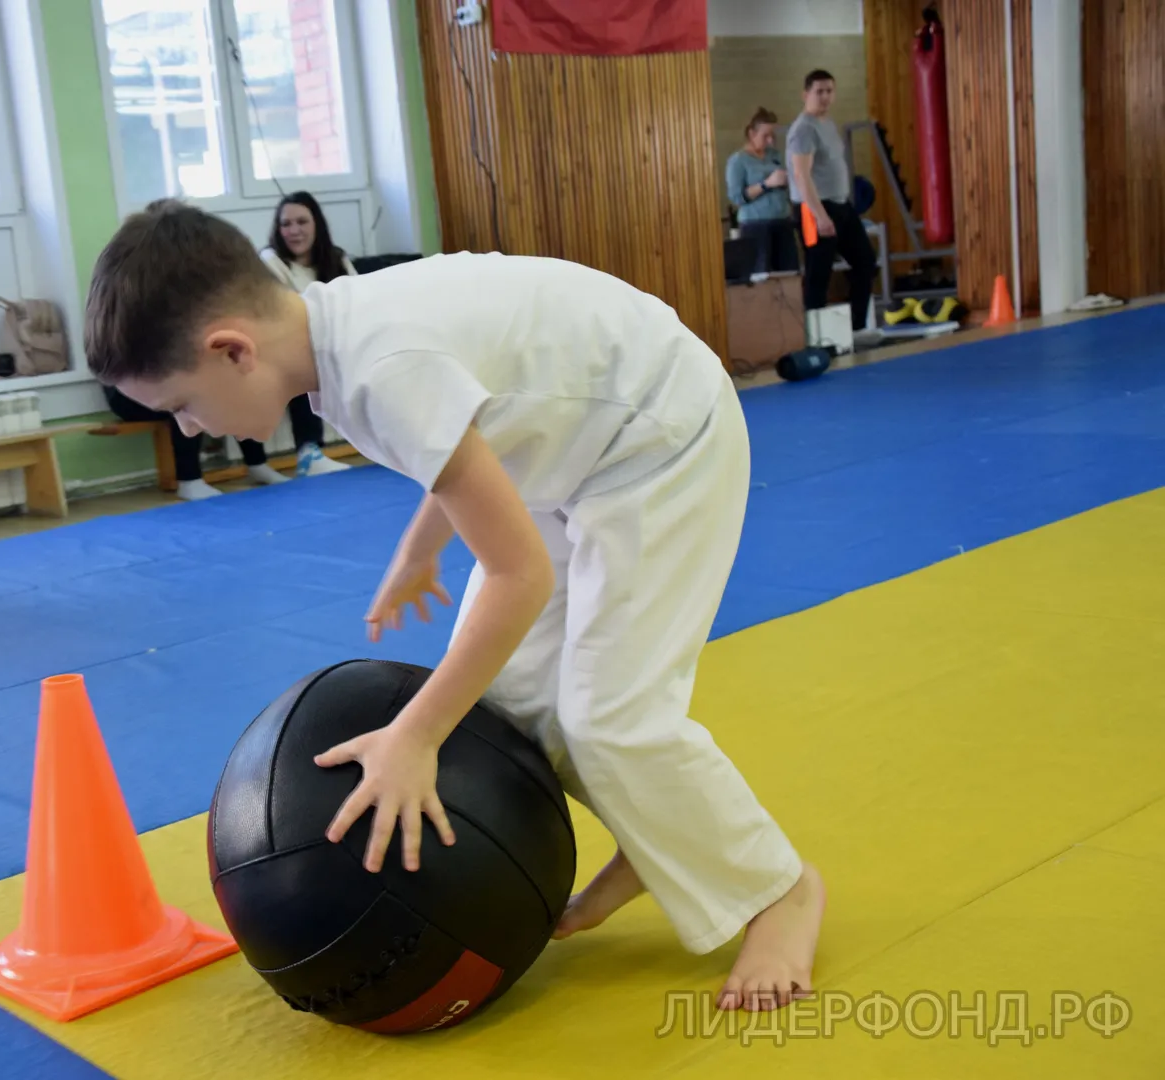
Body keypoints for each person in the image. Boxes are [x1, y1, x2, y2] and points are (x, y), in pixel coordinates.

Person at [82, 201, 825, 1013]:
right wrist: (421, 547)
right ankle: (667, 840)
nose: (191, 429)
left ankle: (780, 891)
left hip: (662, 436)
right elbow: (466, 428)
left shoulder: (378, 369)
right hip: (576, 449)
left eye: (181, 406)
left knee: (612, 719)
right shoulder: (335, 336)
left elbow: (519, 575)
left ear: (233, 350)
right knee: (513, 700)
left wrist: (415, 734)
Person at [259, 192, 355, 479]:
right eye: (286, 224)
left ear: (317, 224)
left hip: (336, 337)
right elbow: (291, 310)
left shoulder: (335, 258)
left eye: (302, 222)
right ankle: (309, 451)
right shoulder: (271, 260)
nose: (294, 230)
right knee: (302, 356)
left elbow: (358, 298)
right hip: (290, 343)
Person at [786, 69, 878, 331]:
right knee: (819, 272)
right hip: (814, 209)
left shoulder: (827, 123)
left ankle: (856, 327)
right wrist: (820, 216)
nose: (825, 97)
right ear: (805, 94)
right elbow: (801, 175)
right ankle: (815, 335)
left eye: (829, 91)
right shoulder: (803, 129)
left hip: (840, 205)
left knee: (865, 262)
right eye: (819, 92)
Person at [101, 383, 290, 501]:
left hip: (159, 384)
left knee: (236, 391)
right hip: (128, 394)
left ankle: (257, 463)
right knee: (188, 400)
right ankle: (189, 481)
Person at [725, 108, 799, 275]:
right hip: (756, 225)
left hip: (782, 221)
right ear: (752, 133)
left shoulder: (775, 155)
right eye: (765, 136)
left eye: (773, 136)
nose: (770, 141)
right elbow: (737, 197)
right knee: (760, 275)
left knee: (790, 273)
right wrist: (767, 184)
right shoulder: (738, 161)